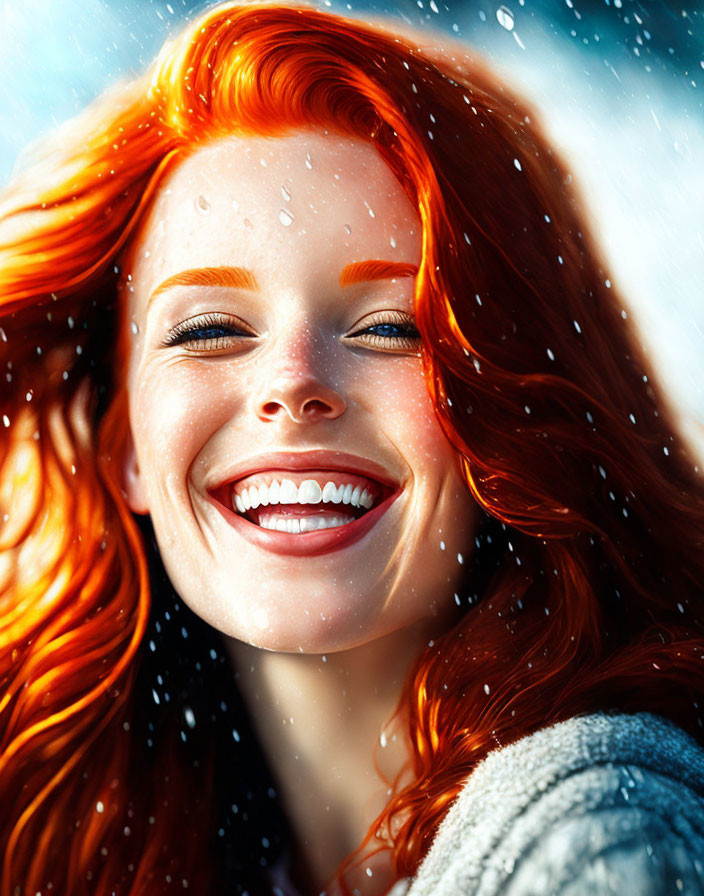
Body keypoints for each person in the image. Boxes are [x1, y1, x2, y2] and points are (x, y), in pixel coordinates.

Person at [1, 3, 704, 894]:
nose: (293, 382)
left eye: (388, 327)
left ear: (508, 410)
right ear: (123, 448)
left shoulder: (595, 834)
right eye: (211, 328)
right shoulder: (98, 826)